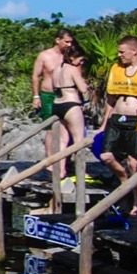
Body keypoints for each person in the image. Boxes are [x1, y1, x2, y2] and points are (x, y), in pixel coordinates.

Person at [101, 35, 137, 185]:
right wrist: (104, 123)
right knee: (106, 156)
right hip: (117, 116)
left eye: (122, 52)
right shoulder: (117, 69)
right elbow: (110, 98)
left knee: (133, 162)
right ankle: (124, 179)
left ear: (134, 51)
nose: (119, 55)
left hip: (135, 118)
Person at [46, 42, 90, 206]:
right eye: (80, 59)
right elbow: (82, 88)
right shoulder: (72, 69)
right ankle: (80, 171)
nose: (81, 63)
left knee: (63, 141)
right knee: (79, 140)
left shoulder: (56, 69)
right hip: (71, 104)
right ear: (73, 57)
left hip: (58, 104)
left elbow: (51, 87)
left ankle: (61, 170)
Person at [31, 28, 77, 165]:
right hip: (49, 95)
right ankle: (49, 160)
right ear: (58, 40)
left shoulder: (70, 56)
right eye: (66, 41)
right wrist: (36, 96)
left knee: (68, 128)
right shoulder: (44, 56)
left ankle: (65, 162)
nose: (69, 45)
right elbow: (35, 76)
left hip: (66, 95)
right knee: (51, 128)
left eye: (71, 42)